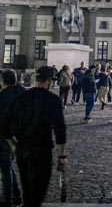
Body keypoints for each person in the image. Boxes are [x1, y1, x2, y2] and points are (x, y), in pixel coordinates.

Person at [0, 66, 67, 207]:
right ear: (49, 81)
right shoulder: (53, 99)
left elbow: (4, 124)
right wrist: (62, 155)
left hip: (22, 149)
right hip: (42, 150)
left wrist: (13, 144)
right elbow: (60, 129)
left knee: (27, 191)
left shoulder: (22, 97)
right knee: (37, 193)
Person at [0, 69, 24, 207]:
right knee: (7, 164)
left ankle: (7, 200)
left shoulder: (3, 97)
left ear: (3, 81)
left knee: (5, 166)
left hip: (4, 135)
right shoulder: (23, 93)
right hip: (20, 135)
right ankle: (16, 195)